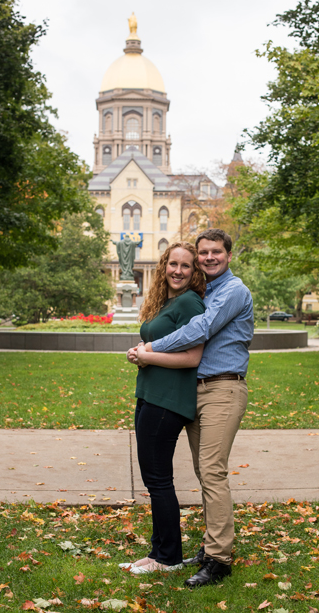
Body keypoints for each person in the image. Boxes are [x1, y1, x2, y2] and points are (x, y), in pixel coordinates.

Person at [131, 228, 253, 587]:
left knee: (212, 472)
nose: (209, 257)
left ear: (228, 255)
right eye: (204, 253)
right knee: (205, 473)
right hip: (196, 391)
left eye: (216, 252)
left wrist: (150, 349)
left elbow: (201, 328)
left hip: (223, 388)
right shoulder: (207, 290)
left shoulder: (233, 290)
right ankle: (212, 545)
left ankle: (219, 559)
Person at [121, 241, 206, 575]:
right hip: (151, 395)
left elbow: (192, 357)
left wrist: (146, 356)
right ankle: (158, 551)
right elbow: (163, 344)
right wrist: (142, 353)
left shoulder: (190, 302)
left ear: (194, 271)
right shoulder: (167, 301)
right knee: (153, 478)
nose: (178, 271)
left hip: (167, 401)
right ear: (164, 265)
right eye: (173, 264)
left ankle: (168, 558)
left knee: (158, 480)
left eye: (186, 266)